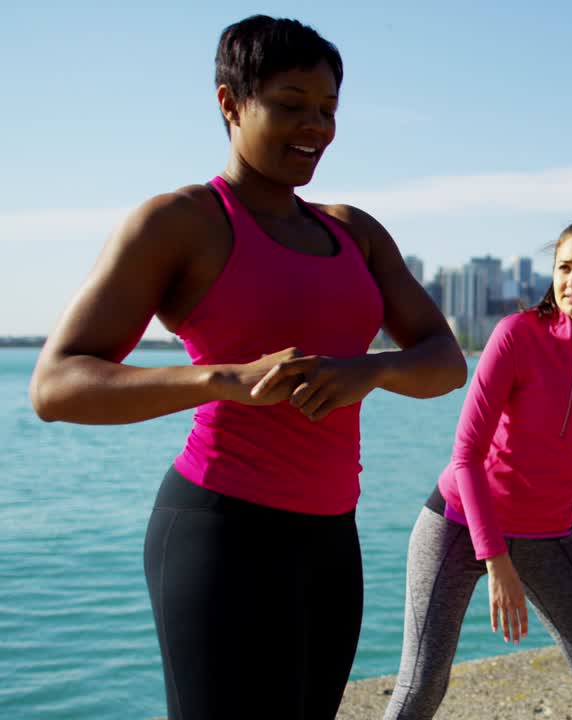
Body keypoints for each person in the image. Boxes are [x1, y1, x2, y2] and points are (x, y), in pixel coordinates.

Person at [28, 15, 467, 720]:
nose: (315, 127)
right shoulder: (179, 222)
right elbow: (56, 385)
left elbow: (445, 363)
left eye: (327, 110)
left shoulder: (352, 230)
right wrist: (220, 380)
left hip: (331, 539)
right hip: (220, 533)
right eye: (290, 104)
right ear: (230, 103)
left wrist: (367, 371)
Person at [383, 219, 572, 719]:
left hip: (548, 533)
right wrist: (497, 560)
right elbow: (466, 455)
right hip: (457, 522)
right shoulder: (516, 335)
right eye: (565, 267)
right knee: (423, 683)